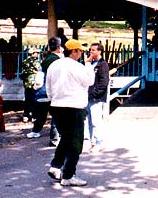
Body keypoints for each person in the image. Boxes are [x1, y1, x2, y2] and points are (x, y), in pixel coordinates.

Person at [45, 38, 94, 187]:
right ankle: (68, 175)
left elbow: (48, 88)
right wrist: (88, 65)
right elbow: (89, 81)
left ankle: (56, 166)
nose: (81, 54)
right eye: (80, 51)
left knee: (66, 138)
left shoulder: (54, 65)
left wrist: (54, 99)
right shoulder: (77, 66)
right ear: (74, 51)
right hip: (74, 107)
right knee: (75, 143)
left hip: (57, 105)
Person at [27, 37, 61, 146]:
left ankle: (35, 131)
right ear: (59, 47)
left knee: (41, 114)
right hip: (51, 90)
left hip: (41, 90)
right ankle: (54, 138)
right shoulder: (57, 60)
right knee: (56, 115)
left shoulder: (45, 58)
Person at [84, 42, 109, 153]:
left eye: (94, 50)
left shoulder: (102, 64)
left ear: (99, 51)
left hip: (96, 97)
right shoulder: (91, 63)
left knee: (96, 121)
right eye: (90, 50)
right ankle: (92, 142)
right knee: (89, 121)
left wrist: (95, 93)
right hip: (88, 96)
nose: (91, 52)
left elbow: (104, 82)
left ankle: (99, 142)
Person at [20, 47, 41, 122]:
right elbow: (38, 69)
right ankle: (33, 116)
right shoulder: (36, 61)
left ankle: (26, 115)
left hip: (26, 82)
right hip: (33, 82)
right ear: (33, 53)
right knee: (34, 99)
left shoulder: (25, 61)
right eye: (36, 53)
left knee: (27, 99)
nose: (38, 54)